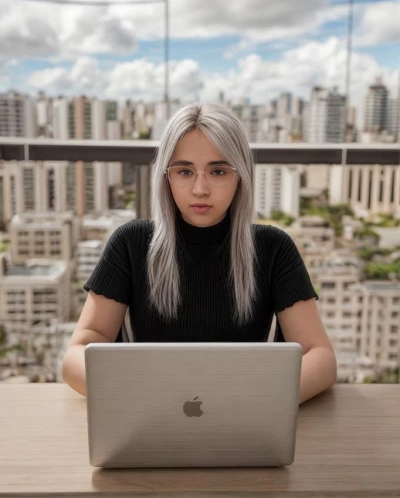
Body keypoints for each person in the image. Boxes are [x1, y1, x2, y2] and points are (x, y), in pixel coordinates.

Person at [62, 102, 337, 402]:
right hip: (148, 422)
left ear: (241, 175)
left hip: (244, 422)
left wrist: (247, 400)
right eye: (184, 172)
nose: (200, 189)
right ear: (166, 177)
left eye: (218, 171)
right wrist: (141, 395)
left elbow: (320, 358)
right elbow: (78, 353)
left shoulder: (273, 248)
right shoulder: (130, 243)